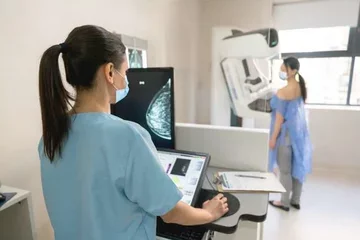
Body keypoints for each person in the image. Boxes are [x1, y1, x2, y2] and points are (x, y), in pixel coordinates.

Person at [38, 25, 228, 240]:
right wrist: (208, 212)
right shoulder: (127, 136)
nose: (126, 80)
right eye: (126, 71)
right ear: (110, 72)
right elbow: (172, 213)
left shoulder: (50, 138)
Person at [268, 57, 312, 212]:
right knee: (297, 166)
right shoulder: (301, 87)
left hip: (285, 136)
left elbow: (279, 119)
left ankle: (284, 202)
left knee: (285, 170)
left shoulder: (283, 92)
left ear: (292, 71)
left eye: (283, 69)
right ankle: (295, 200)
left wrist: (273, 138)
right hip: (299, 134)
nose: (281, 72)